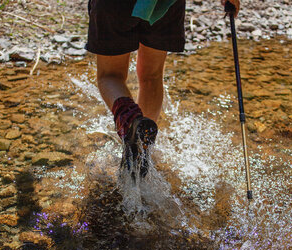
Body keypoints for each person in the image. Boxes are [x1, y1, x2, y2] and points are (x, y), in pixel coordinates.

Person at [86, 0, 240, 179]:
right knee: (151, 76)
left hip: (117, 6)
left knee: (110, 75)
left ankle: (130, 119)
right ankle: (142, 148)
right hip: (164, 4)